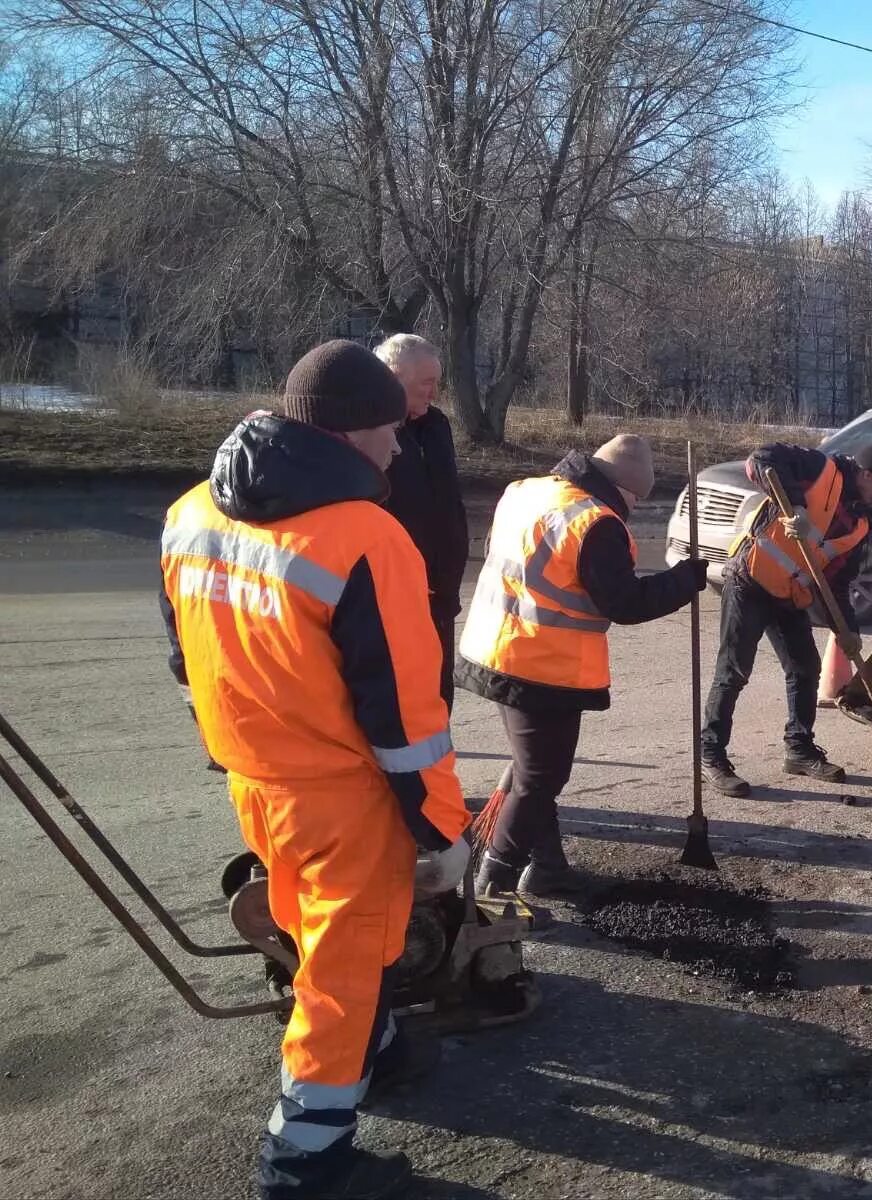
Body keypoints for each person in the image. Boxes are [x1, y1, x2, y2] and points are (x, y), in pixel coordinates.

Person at [159, 339, 471, 1200]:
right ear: (350, 435)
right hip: (342, 800)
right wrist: (445, 830)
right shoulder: (367, 539)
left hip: (257, 780)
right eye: (389, 430)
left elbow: (188, 662)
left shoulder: (191, 512)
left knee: (308, 924)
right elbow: (408, 720)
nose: (401, 447)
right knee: (337, 972)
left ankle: (378, 1049)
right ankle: (304, 1163)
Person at [459, 435, 705, 898]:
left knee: (532, 769)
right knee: (540, 779)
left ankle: (547, 867)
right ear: (622, 487)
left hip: (494, 647)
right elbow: (626, 603)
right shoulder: (597, 523)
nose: (632, 507)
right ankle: (494, 880)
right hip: (540, 666)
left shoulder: (528, 491)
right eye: (635, 498)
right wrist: (683, 580)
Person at [699, 440, 872, 796]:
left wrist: (847, 632)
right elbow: (760, 458)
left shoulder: (858, 526)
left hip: (788, 594)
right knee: (733, 671)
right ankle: (711, 755)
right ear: (868, 475)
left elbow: (837, 585)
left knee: (805, 669)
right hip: (749, 579)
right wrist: (795, 507)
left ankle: (799, 749)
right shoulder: (820, 469)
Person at [373, 334, 469, 710]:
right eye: (427, 383)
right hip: (396, 597)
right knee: (406, 702)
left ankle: (436, 765)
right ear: (394, 377)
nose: (435, 392)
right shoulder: (369, 434)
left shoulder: (436, 425)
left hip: (441, 596)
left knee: (439, 697)